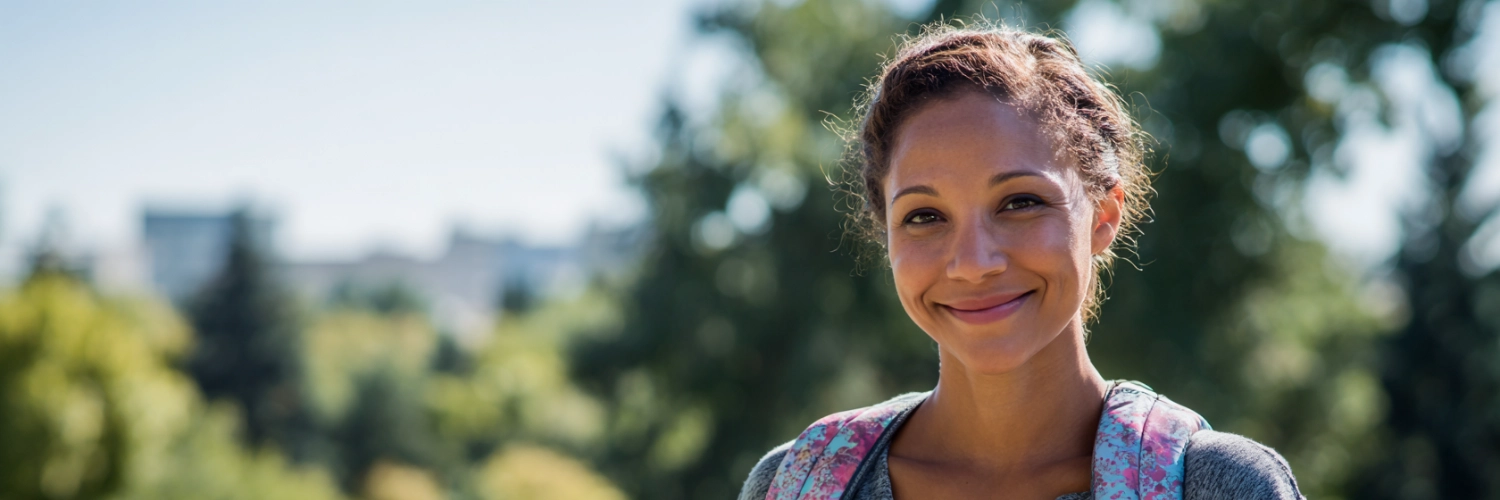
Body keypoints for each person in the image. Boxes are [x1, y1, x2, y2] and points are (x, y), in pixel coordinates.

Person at [737, 23, 1304, 500]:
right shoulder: (795, 483)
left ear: (1103, 215)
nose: (974, 262)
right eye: (924, 216)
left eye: (1020, 203)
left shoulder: (1215, 485)